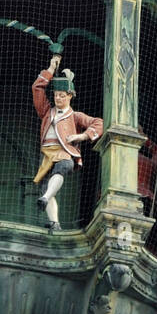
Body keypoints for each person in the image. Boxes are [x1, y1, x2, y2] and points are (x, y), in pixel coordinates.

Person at [31, 55, 103, 233]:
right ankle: (55, 222)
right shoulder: (47, 111)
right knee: (45, 184)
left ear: (70, 96)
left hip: (63, 152)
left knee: (64, 166)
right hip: (47, 153)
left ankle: (46, 198)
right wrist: (50, 69)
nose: (58, 98)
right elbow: (37, 88)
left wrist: (82, 137)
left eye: (62, 96)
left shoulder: (75, 116)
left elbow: (98, 123)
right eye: (56, 95)